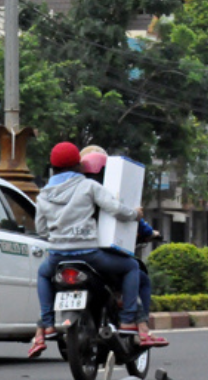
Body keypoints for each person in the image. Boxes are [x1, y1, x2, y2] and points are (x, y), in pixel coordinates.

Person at [29, 142, 165, 357]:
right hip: (88, 255)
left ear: (52, 167)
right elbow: (115, 209)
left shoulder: (44, 194)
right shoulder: (88, 187)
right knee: (130, 266)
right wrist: (135, 215)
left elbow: (41, 229)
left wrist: (60, 236)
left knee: (43, 274)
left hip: (57, 257)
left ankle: (47, 324)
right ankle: (130, 321)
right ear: (78, 165)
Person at [78, 147, 166, 343]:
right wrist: (150, 232)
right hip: (99, 256)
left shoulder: (72, 192)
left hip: (68, 254)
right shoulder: (105, 192)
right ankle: (136, 323)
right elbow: (129, 214)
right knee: (133, 270)